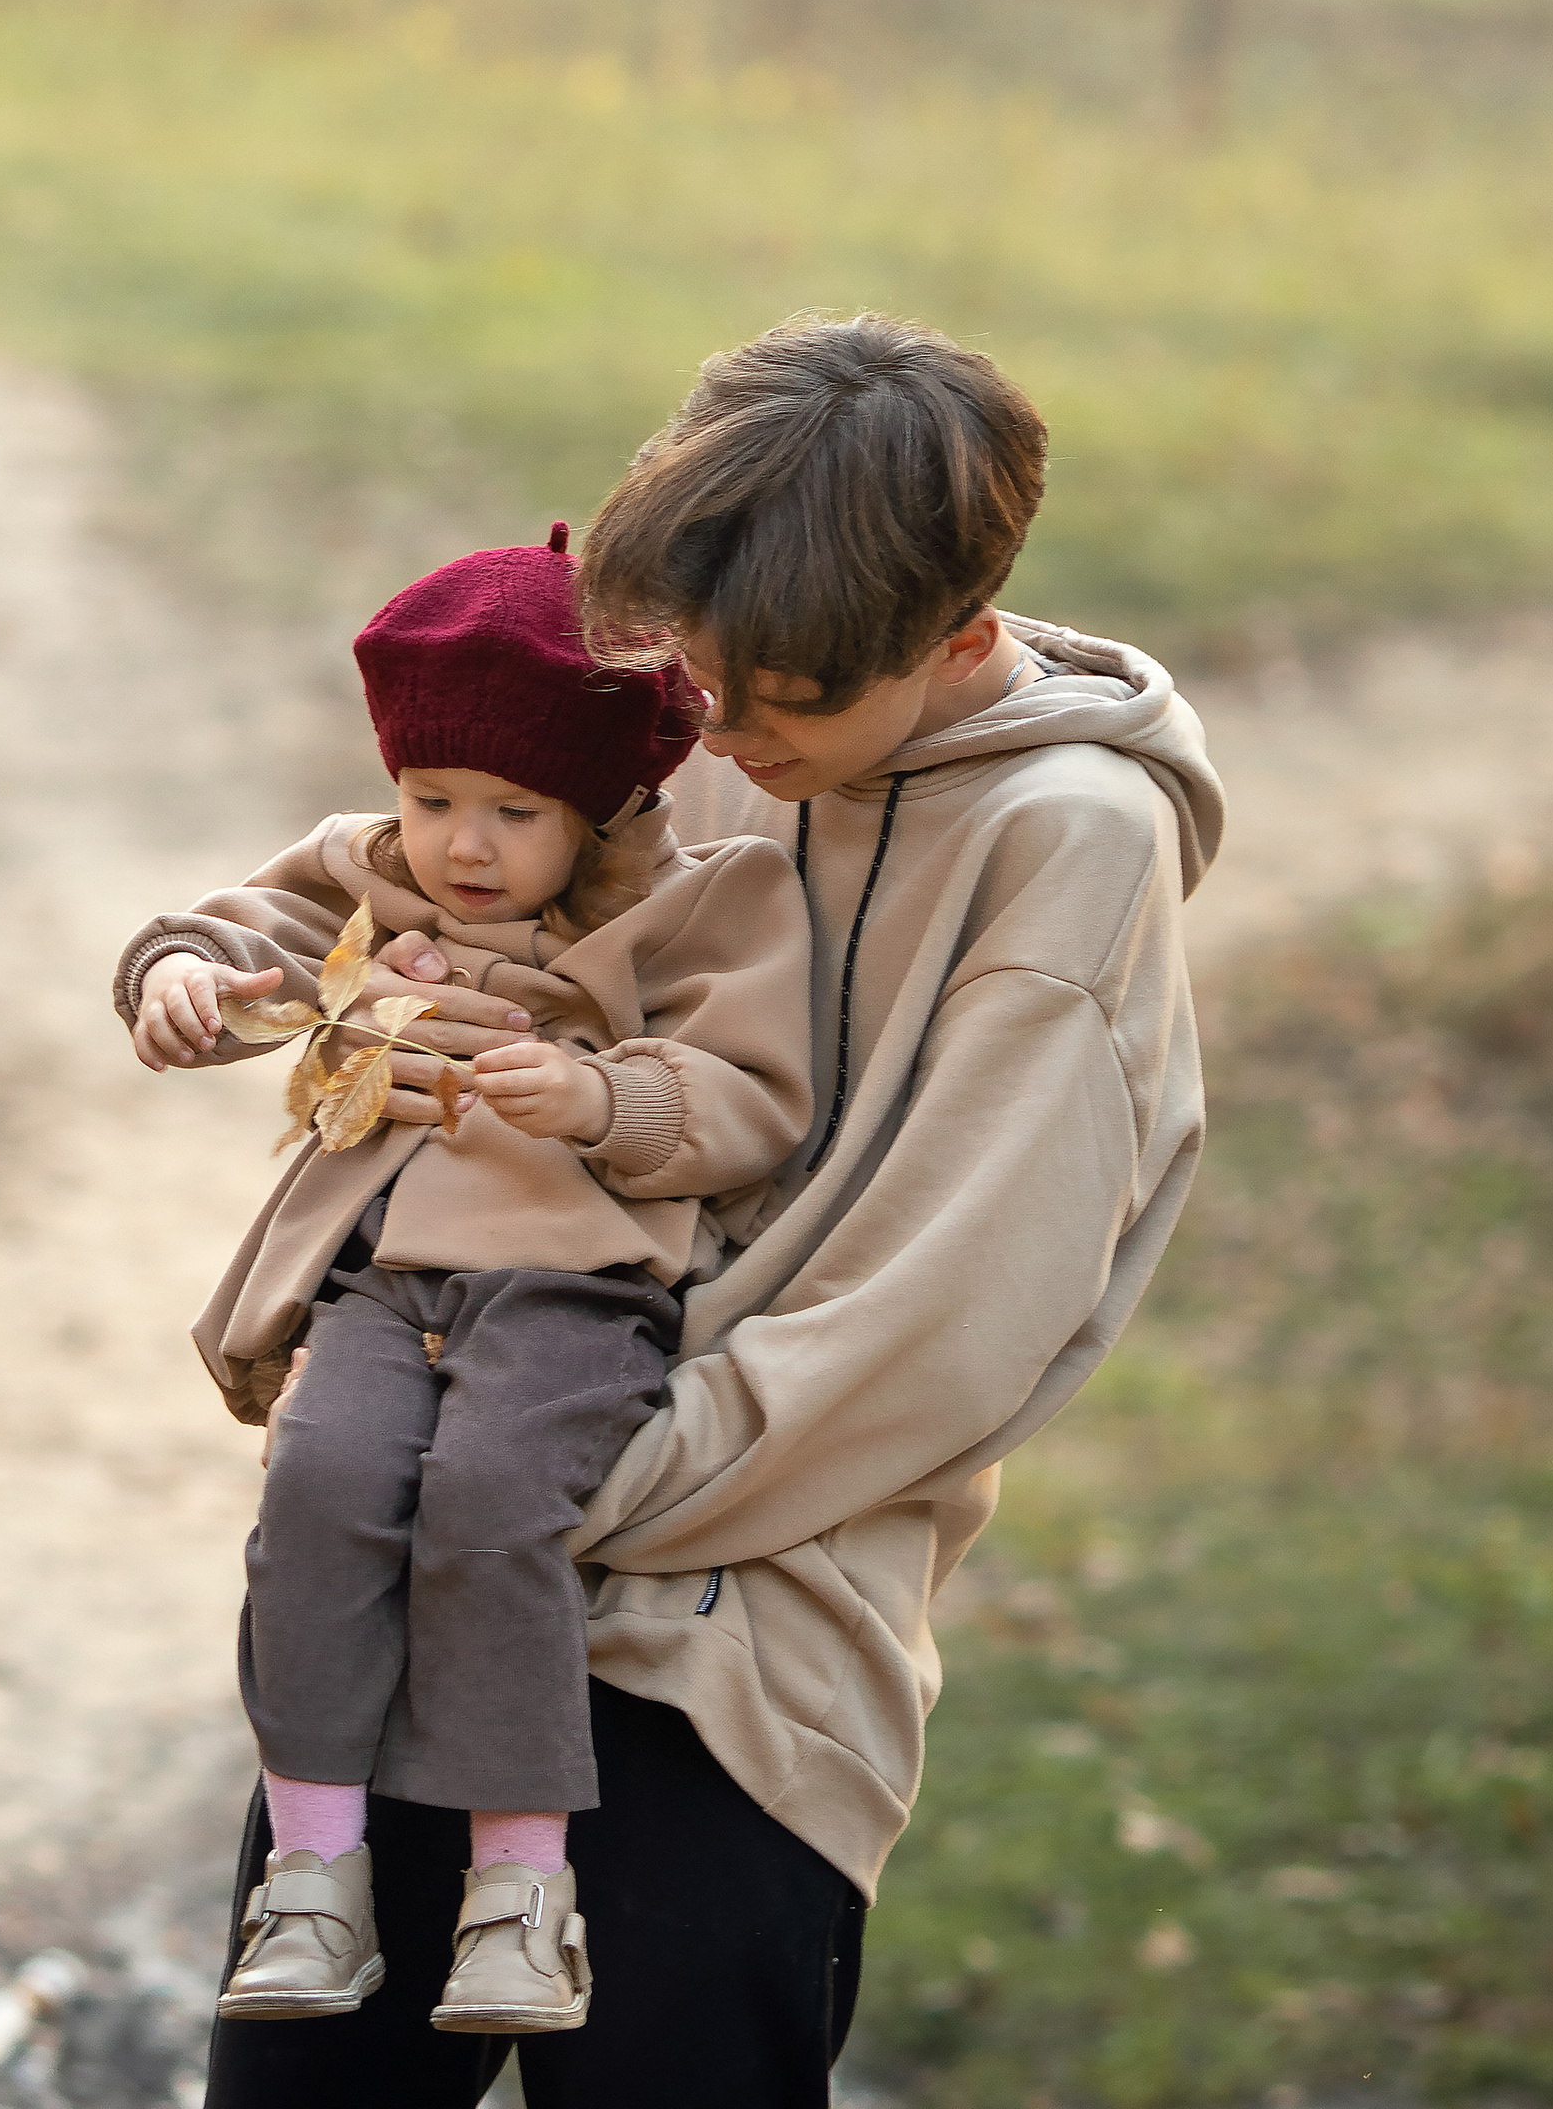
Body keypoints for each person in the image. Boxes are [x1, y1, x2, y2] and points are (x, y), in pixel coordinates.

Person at [189, 311, 1224, 2109]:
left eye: (785, 704)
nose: (724, 735)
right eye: (701, 677)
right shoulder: (725, 709)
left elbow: (950, 1320)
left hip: (738, 1659)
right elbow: (427, 880)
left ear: (961, 638)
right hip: (465, 1569)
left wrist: (559, 1488)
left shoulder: (1070, 844)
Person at [115, 525, 813, 2044]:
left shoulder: (699, 907)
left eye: (513, 811)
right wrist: (180, 971)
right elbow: (247, 932)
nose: (464, 846)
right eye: (434, 801)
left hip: (574, 1296)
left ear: (604, 806)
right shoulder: (372, 872)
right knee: (318, 1489)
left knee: (496, 1507)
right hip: (386, 1287)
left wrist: (603, 1101)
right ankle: (314, 1879)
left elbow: (758, 1095)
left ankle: (520, 1894)